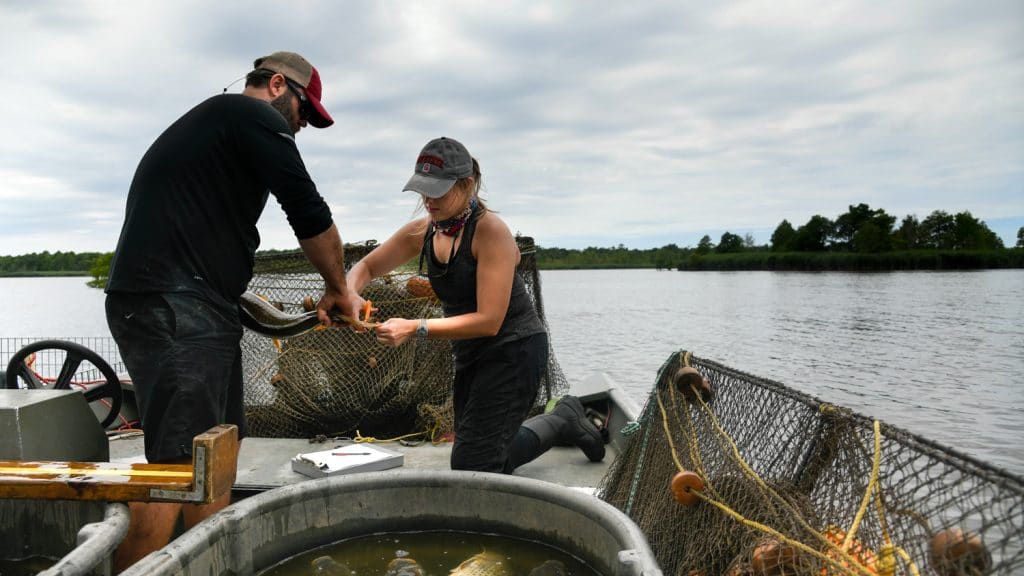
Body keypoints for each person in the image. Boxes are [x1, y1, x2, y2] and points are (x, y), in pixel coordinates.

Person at [104, 51, 358, 571]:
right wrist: (339, 289)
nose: (302, 125)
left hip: (201, 306)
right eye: (304, 112)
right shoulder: (249, 115)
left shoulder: (220, 130)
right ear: (276, 86)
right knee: (178, 467)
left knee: (217, 454)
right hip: (173, 305)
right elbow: (306, 208)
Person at [346, 136, 605, 473]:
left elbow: (489, 320)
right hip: (470, 354)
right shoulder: (422, 231)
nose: (427, 199)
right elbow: (365, 267)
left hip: (514, 350)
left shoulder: (490, 232)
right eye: (423, 189)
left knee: (473, 464)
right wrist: (350, 292)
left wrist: (415, 327)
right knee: (481, 454)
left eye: (437, 190)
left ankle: (559, 422)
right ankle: (565, 419)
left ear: (466, 184)